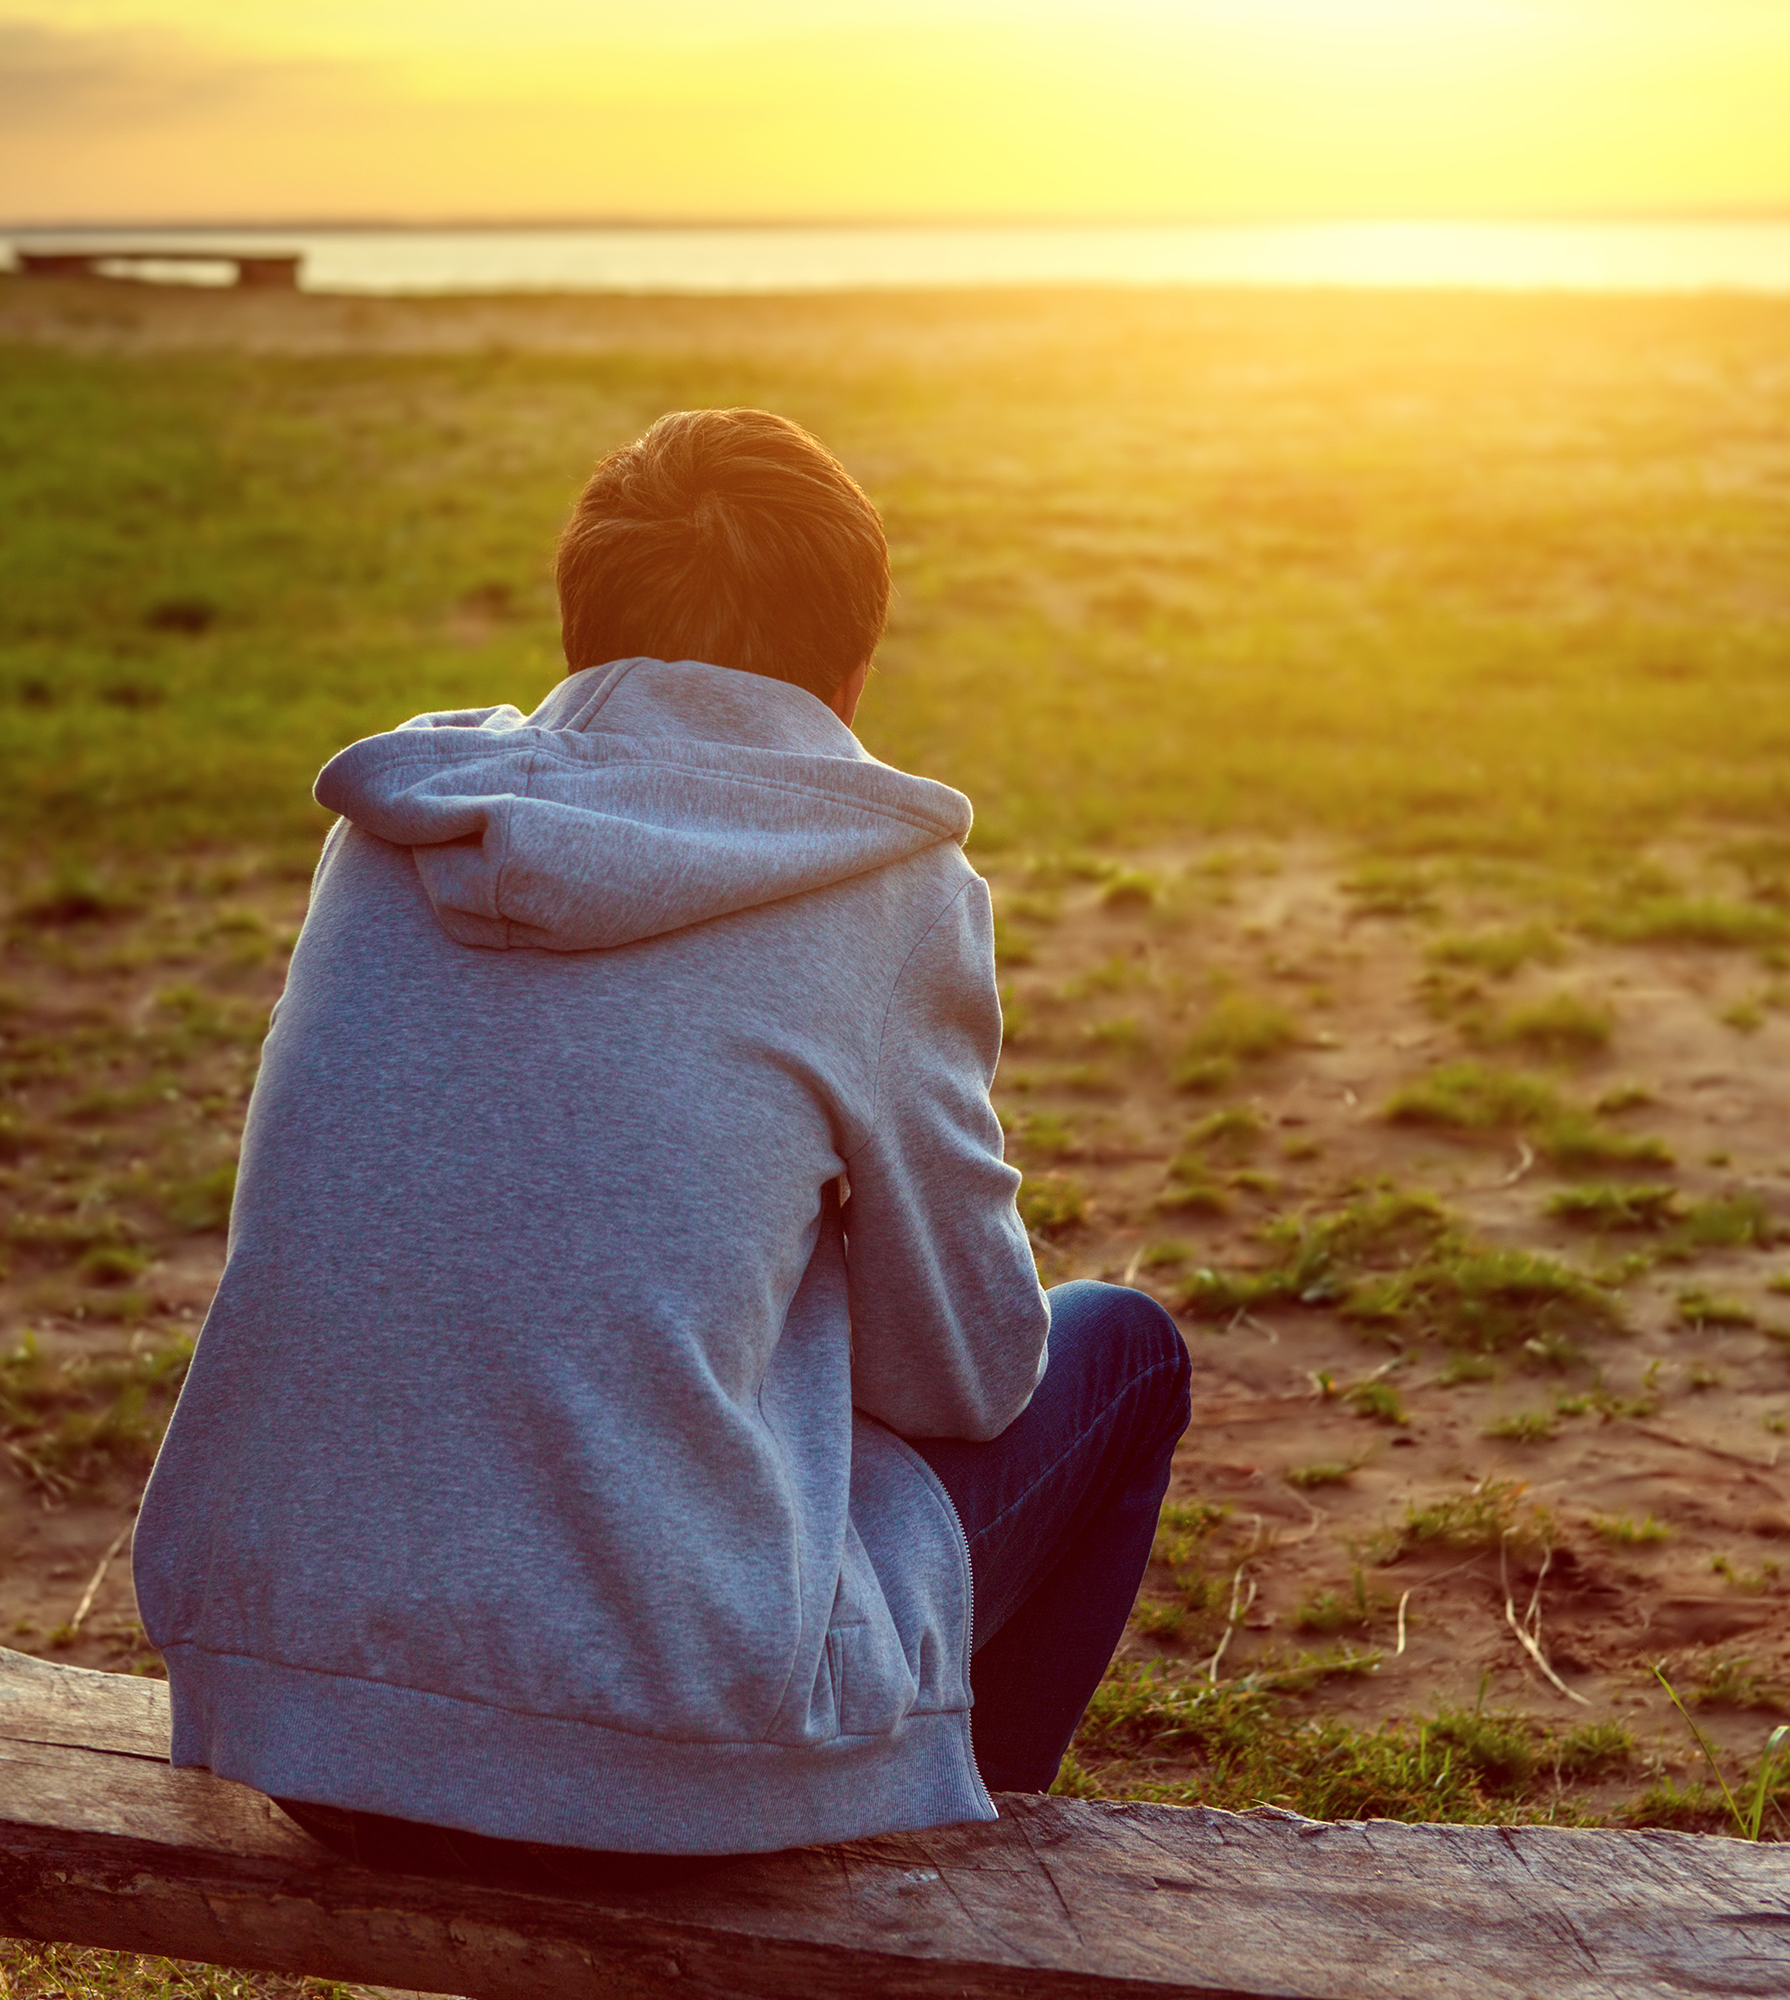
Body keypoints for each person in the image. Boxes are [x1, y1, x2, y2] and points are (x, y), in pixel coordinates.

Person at [134, 407, 1190, 1864]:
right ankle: (954, 1892)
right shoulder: (888, 891)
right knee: (1124, 1351)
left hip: (303, 1718)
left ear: (579, 634)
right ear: (853, 668)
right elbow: (967, 1374)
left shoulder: (397, 829)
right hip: (650, 1752)